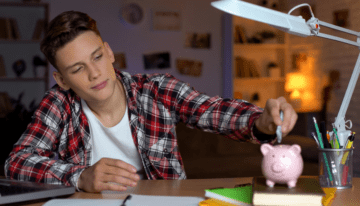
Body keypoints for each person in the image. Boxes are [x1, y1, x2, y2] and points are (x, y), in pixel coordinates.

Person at [4, 11, 298, 193]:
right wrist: (80, 176)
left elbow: (211, 110)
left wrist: (261, 121)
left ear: (108, 52)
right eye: (78, 69)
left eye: (96, 57)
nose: (95, 74)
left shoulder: (156, 89)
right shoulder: (58, 103)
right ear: (63, 79)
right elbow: (16, 163)